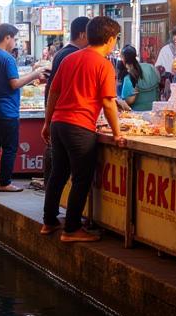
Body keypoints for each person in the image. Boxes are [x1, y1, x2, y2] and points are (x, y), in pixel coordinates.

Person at [41, 16, 125, 242]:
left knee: (58, 174)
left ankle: (49, 222)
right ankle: (71, 228)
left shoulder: (70, 58)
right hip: (80, 126)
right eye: (116, 39)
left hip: (59, 123)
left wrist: (48, 122)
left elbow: (53, 93)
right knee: (81, 178)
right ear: (110, 39)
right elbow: (108, 102)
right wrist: (117, 133)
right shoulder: (104, 64)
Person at [0, 23, 46, 193]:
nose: (15, 42)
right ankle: (5, 182)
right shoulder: (7, 59)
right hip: (6, 109)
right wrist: (35, 74)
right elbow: (14, 84)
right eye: (15, 38)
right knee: (9, 147)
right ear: (7, 37)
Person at [119, 45, 160, 111]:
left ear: (123, 59)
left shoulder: (128, 78)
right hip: (155, 110)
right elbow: (159, 84)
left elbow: (128, 102)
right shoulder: (150, 67)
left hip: (137, 115)